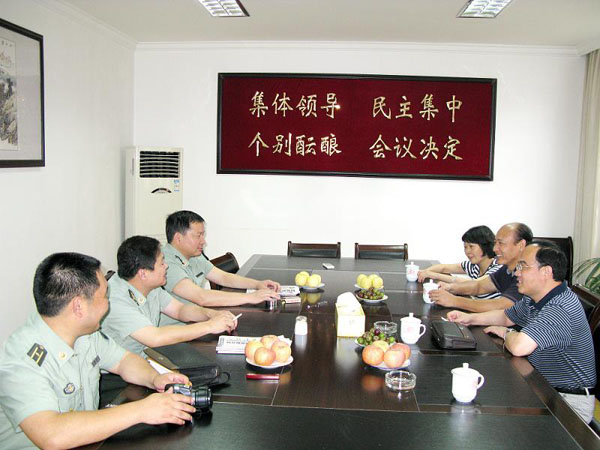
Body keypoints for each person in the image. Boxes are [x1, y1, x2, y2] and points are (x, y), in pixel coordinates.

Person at [0, 253, 196, 449]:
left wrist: (154, 378)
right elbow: (52, 435)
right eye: (104, 296)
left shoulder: (84, 333)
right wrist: (142, 410)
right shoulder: (20, 360)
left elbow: (124, 361)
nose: (108, 303)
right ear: (78, 306)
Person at [447, 242, 596, 423]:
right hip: (541, 385)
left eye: (522, 266)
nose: (517, 273)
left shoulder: (560, 307)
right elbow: (506, 317)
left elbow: (519, 347)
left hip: (567, 402)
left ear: (546, 272)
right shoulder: (535, 298)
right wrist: (469, 319)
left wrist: (507, 333)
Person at [101, 236, 239, 356]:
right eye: (161, 263)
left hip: (147, 358)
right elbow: (155, 338)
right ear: (143, 273)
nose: (166, 266)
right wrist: (209, 326)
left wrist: (211, 314)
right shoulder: (115, 300)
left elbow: (179, 310)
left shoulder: (147, 284)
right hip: (122, 371)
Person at [161, 211, 280, 324]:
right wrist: (251, 297)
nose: (203, 241)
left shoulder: (193, 255)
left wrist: (257, 284)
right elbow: (201, 297)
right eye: (198, 235)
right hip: (177, 329)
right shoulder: (165, 263)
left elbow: (222, 277)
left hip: (196, 320)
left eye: (203, 235)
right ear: (178, 238)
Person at [429, 222, 533, 312]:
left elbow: (500, 306)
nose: (495, 248)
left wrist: (454, 301)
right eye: (495, 243)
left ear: (521, 245)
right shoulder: (507, 269)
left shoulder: (527, 275)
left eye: (501, 243)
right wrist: (450, 288)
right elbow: (479, 286)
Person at [417, 225, 501, 299]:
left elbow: (475, 285)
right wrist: (425, 272)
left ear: (485, 246)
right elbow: (444, 268)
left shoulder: (498, 267)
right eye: (465, 247)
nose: (467, 251)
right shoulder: (473, 266)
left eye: (471, 246)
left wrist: (434, 275)